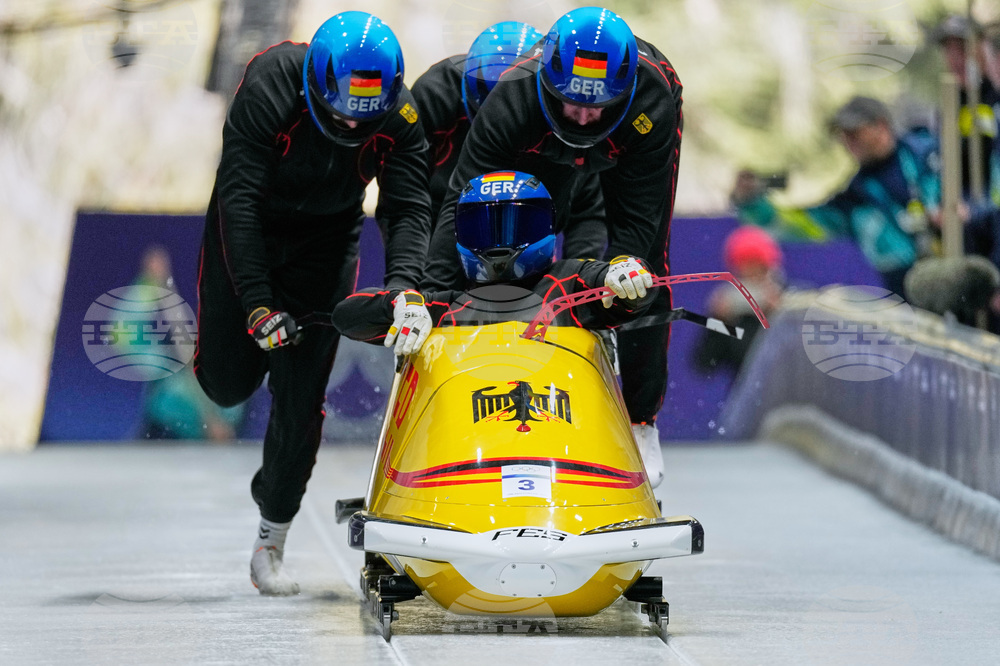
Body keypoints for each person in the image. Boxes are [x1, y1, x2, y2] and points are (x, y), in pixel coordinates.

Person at [193, 12, 432, 596]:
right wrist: (255, 304)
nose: (352, 119)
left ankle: (270, 538)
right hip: (250, 230)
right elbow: (239, 197)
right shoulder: (269, 82)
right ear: (317, 85)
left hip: (325, 247)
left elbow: (407, 208)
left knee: (300, 401)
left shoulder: (400, 116)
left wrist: (406, 288)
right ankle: (266, 461)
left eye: (364, 112)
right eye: (342, 108)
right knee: (226, 385)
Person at [420, 7, 683, 488]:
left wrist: (622, 271)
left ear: (620, 92)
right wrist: (430, 302)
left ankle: (642, 421)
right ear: (549, 83)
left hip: (630, 141)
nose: (584, 116)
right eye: (572, 102)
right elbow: (459, 198)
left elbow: (637, 224)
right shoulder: (515, 97)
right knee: (502, 237)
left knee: (645, 273)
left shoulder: (651, 102)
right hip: (540, 137)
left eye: (596, 106)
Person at [333, 170, 654, 361]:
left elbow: (628, 291)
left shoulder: (571, 281)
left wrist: (626, 273)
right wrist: (399, 301)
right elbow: (345, 316)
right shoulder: (441, 307)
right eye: (485, 228)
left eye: (517, 226)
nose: (500, 243)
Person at [411, 21, 607, 259]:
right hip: (442, 231)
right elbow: (408, 201)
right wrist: (420, 277)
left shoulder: (566, 118)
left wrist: (580, 282)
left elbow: (588, 211)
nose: (503, 117)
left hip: (532, 244)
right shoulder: (436, 96)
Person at [732, 96, 940, 296]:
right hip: (908, 297)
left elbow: (967, 202)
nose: (847, 141)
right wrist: (754, 205)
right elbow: (805, 226)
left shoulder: (928, 154)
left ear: (882, 126)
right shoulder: (855, 197)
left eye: (854, 132)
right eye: (842, 134)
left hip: (958, 276)